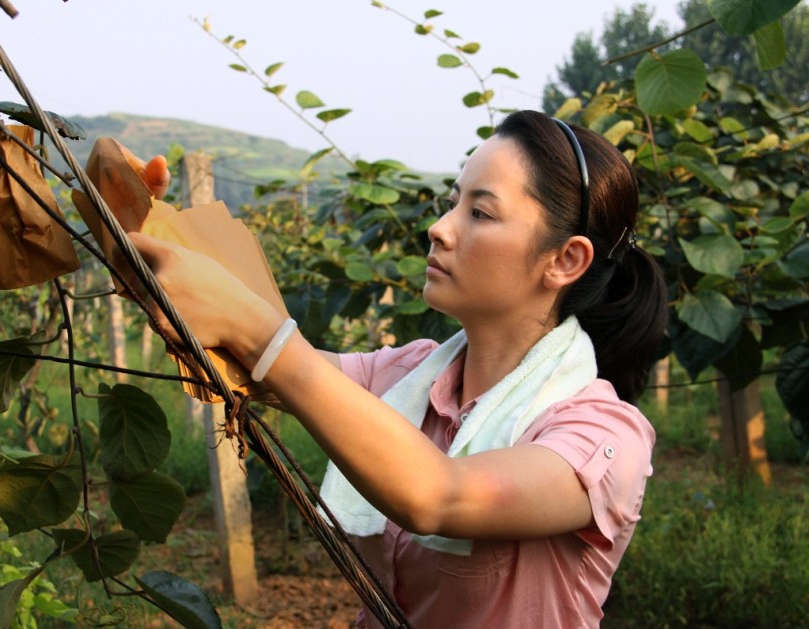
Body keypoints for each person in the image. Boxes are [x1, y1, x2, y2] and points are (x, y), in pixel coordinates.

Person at [127, 109, 668, 628]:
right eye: (452, 203)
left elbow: (440, 496)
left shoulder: (601, 437)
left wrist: (257, 332)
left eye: (479, 213)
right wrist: (155, 231)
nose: (439, 228)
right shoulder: (409, 377)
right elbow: (260, 362)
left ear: (565, 260)